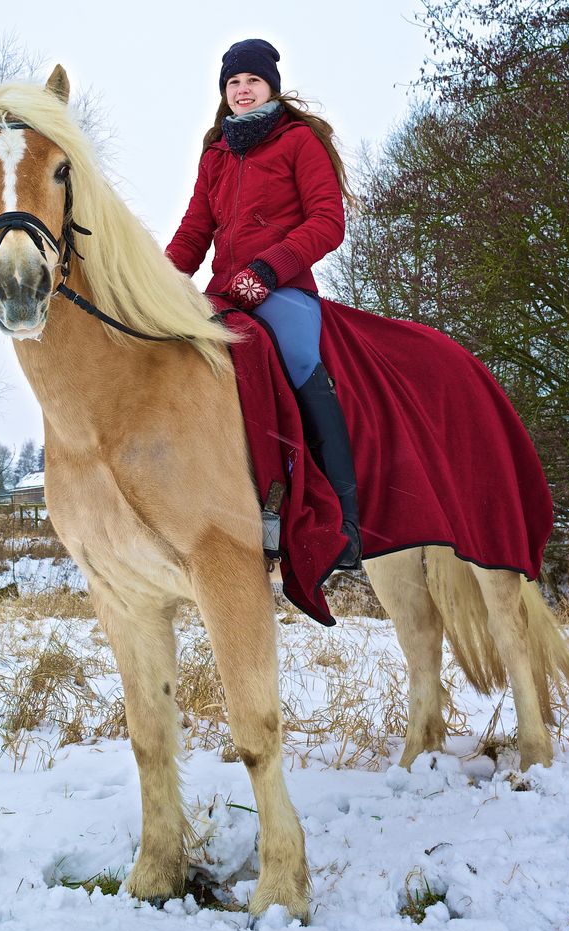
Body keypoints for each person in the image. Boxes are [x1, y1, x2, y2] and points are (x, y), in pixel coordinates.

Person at [166, 38, 361, 569]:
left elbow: (327, 221)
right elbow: (194, 232)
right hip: (224, 291)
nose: (243, 90)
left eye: (251, 80)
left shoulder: (298, 142)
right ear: (224, 93)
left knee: (300, 363)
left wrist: (267, 270)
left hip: (284, 289)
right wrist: (156, 282)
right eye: (233, 83)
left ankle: (345, 522)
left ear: (270, 85)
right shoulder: (217, 155)